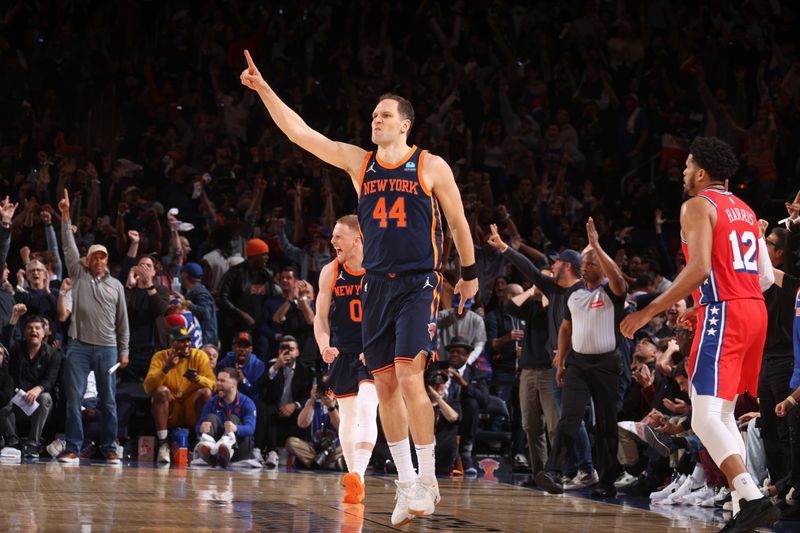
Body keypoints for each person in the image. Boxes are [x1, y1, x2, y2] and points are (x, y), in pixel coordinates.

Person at [241, 49, 478, 525]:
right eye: (373, 115)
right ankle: (407, 483)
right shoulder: (359, 164)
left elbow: (458, 221)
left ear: (405, 124)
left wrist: (470, 274)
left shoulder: (431, 166)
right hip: (376, 287)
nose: (376, 121)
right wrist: (264, 89)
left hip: (418, 282)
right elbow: (302, 134)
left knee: (411, 375)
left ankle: (428, 479)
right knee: (385, 384)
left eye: (384, 115)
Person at [620, 137, 780, 531]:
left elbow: (700, 268)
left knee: (704, 415)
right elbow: (761, 277)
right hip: (753, 310)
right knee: (723, 411)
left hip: (726, 311)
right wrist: (705, 303)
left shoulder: (697, 205)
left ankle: (752, 495)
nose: (684, 173)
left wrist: (648, 311)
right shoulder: (745, 209)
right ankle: (745, 504)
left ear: (703, 172)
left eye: (689, 166)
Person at [535, 218, 627, 497]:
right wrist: (561, 361)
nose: (586, 267)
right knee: (570, 417)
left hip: (607, 364)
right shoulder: (573, 296)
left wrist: (597, 246)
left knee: (606, 423)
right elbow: (565, 328)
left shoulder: (611, 292)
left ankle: (607, 480)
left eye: (591, 264)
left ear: (601, 266)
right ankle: (554, 471)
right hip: (578, 364)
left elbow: (620, 279)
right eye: (584, 264)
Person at [58, 189, 129, 465]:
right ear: (88, 260)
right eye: (94, 256)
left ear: (107, 260)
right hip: (78, 347)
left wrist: (124, 351)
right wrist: (65, 214)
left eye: (102, 256)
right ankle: (74, 446)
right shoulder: (78, 274)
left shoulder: (116, 286)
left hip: (108, 349)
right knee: (73, 400)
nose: (98, 260)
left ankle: (110, 446)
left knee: (108, 401)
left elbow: (123, 321)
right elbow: (67, 247)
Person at [314, 214, 378, 504]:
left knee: (367, 406)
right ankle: (355, 480)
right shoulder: (331, 271)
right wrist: (324, 345)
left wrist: (378, 344)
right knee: (349, 416)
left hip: (375, 349)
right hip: (344, 350)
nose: (332, 241)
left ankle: (360, 474)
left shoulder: (378, 268)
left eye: (338, 236)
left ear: (357, 238)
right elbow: (320, 317)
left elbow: (392, 314)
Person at [143, 326, 216, 464]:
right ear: (172, 343)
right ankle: (163, 444)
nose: (187, 344)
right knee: (160, 391)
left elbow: (213, 383)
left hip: (190, 408)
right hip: (170, 409)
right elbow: (148, 387)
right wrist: (166, 368)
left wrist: (198, 379)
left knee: (206, 392)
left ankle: (201, 442)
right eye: (182, 341)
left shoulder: (199, 356)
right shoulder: (160, 357)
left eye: (188, 340)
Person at [1, 308, 61, 457]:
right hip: (16, 405)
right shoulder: (17, 348)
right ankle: (13, 442)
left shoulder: (53, 354)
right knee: (3, 398)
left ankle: (33, 444)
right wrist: (14, 316)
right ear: (24, 331)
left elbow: (50, 380)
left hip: (37, 407)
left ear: (44, 333)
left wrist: (38, 389)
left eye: (37, 328)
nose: (33, 331)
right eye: (29, 328)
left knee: (45, 397)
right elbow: (6, 340)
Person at [261, 335, 312, 469]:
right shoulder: (271, 366)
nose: (288, 351)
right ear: (278, 352)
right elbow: (262, 388)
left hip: (295, 409)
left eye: (291, 348)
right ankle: (272, 451)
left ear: (298, 352)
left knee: (306, 411)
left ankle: (301, 454)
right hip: (275, 409)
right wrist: (277, 366)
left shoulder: (305, 370)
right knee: (267, 408)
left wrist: (294, 405)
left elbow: (307, 394)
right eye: (284, 348)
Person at [442, 336, 490, 476]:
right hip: (439, 412)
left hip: (463, 418)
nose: (454, 355)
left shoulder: (476, 373)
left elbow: (485, 401)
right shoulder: (438, 367)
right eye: (452, 352)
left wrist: (465, 384)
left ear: (467, 355)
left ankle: (465, 453)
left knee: (472, 403)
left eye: (459, 352)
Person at [195, 367, 257, 467]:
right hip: (216, 447)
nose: (218, 383)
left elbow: (251, 428)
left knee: (232, 418)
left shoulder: (247, 402)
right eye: (217, 380)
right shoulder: (212, 402)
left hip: (240, 449)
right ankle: (211, 449)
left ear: (234, 384)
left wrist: (236, 428)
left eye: (222, 381)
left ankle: (227, 446)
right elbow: (198, 426)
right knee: (211, 418)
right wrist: (200, 429)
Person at [285, 372, 344, 470]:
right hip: (314, 448)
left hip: (334, 449)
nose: (326, 389)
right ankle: (328, 465)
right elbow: (301, 424)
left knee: (349, 447)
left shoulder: (341, 403)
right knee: (291, 442)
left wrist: (331, 407)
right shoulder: (313, 403)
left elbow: (341, 428)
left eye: (329, 386)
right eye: (323, 385)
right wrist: (312, 399)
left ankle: (315, 463)